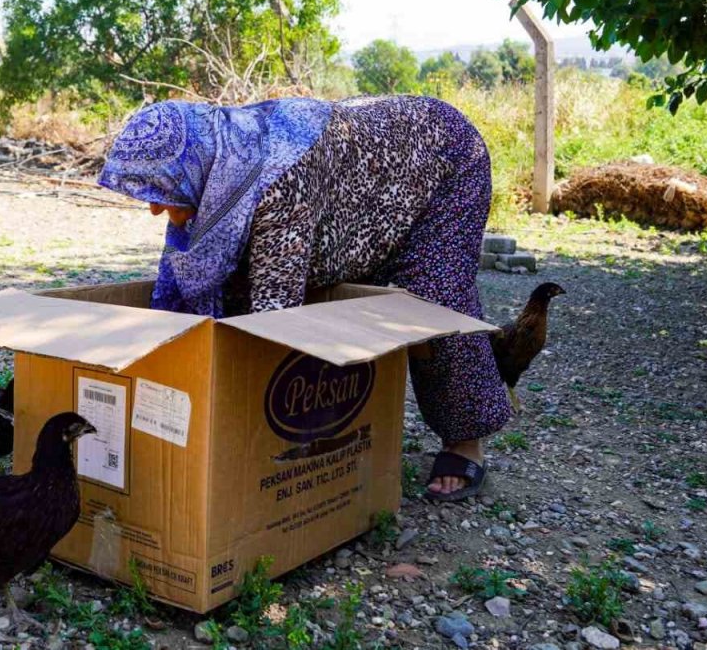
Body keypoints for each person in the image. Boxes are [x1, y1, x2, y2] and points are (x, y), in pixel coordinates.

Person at [98, 95, 508, 502]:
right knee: (260, 281)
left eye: (161, 189)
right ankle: (370, 418)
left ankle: (465, 439)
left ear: (189, 166)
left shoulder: (280, 177)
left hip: (441, 158)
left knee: (433, 294)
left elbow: (274, 320)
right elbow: (199, 282)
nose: (153, 209)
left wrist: (233, 430)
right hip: (363, 176)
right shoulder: (223, 160)